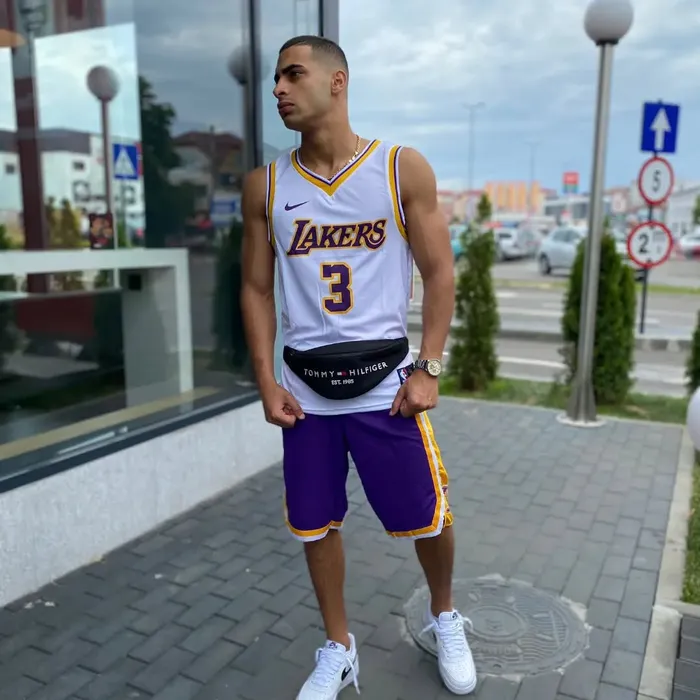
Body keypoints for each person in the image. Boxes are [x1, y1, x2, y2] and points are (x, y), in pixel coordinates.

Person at [241, 35, 477, 699]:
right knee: (315, 522)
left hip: (386, 388)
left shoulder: (400, 168)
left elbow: (440, 272)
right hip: (306, 393)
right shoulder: (265, 185)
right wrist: (265, 381)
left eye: (293, 74)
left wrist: (429, 366)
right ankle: (339, 647)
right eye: (276, 78)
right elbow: (255, 289)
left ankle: (444, 615)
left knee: (428, 514)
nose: (279, 89)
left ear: (337, 81)